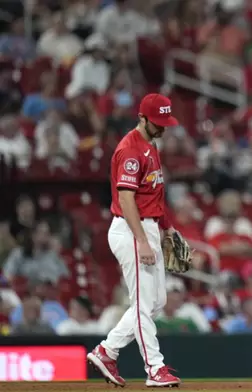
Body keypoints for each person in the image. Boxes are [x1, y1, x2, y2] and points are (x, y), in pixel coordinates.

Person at [86, 93, 182, 387]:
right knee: (142, 304)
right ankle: (155, 368)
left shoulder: (151, 145)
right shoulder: (130, 149)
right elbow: (127, 199)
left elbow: (152, 193)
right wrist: (141, 240)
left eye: (166, 122)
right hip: (131, 229)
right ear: (142, 118)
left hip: (148, 225)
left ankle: (106, 351)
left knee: (156, 302)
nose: (163, 127)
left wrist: (167, 228)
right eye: (158, 122)